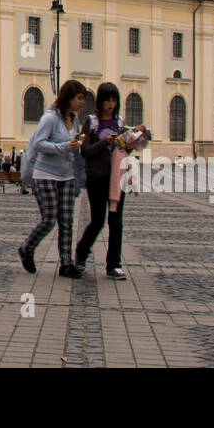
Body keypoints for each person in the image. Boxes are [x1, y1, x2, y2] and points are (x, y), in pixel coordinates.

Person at [75, 82, 146, 281]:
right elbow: (85, 150)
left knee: (116, 222)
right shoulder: (91, 122)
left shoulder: (119, 122)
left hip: (117, 176)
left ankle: (113, 265)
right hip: (96, 177)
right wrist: (103, 143)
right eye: (107, 100)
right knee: (97, 220)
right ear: (100, 101)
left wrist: (132, 143)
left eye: (114, 100)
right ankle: (81, 253)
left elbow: (124, 149)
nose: (110, 104)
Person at [18, 79, 86, 279]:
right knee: (49, 219)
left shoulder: (75, 120)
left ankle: (66, 263)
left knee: (67, 221)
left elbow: (75, 147)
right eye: (79, 98)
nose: (82, 102)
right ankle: (27, 248)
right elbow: (39, 144)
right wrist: (64, 146)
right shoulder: (50, 119)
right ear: (69, 97)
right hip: (45, 174)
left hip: (67, 176)